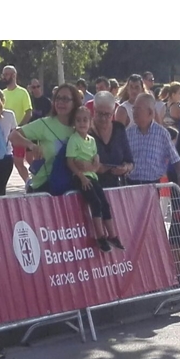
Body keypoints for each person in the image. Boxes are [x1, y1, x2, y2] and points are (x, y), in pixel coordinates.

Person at [67, 107, 123, 252]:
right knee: (95, 203)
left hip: (92, 176)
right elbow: (70, 162)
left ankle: (112, 235)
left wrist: (94, 163)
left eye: (85, 120)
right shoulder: (74, 139)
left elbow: (95, 163)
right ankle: (100, 236)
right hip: (81, 177)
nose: (82, 123)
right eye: (78, 120)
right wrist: (81, 177)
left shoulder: (91, 141)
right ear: (74, 123)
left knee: (105, 203)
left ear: (90, 122)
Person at [9, 82, 79, 195]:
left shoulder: (80, 127)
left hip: (71, 186)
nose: (60, 102)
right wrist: (31, 145)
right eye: (58, 98)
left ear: (74, 102)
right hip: (45, 188)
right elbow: (13, 136)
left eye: (65, 99)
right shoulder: (44, 124)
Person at [91, 92, 134, 189]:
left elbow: (130, 162)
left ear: (113, 112)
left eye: (107, 114)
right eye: (99, 113)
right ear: (94, 110)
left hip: (117, 189)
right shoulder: (86, 131)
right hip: (93, 189)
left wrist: (125, 168)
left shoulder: (119, 129)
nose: (103, 118)